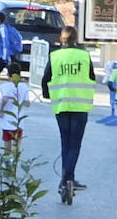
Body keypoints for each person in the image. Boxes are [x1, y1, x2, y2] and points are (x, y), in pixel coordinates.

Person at [41, 25, 96, 204]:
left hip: (62, 105)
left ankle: (66, 179)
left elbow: (45, 79)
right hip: (80, 106)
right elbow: (92, 78)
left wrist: (48, 95)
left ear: (61, 38)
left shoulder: (54, 56)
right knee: (75, 144)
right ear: (75, 38)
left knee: (65, 143)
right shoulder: (84, 56)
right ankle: (68, 179)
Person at [0, 70, 29, 152]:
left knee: (7, 147)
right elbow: (27, 103)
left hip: (7, 119)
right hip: (18, 120)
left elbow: (4, 99)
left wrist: (1, 110)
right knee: (17, 147)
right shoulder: (24, 87)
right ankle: (15, 162)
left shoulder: (4, 86)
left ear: (8, 74)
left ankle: (7, 163)